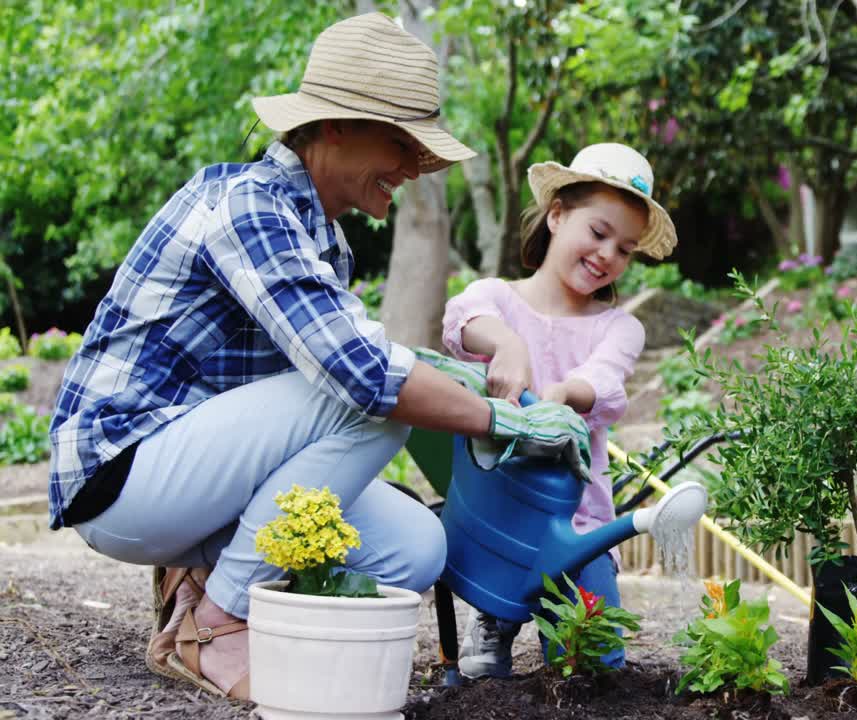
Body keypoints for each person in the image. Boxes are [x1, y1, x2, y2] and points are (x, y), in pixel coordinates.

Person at [46, 13, 589, 701]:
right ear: (334, 126)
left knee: (416, 548)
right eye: (399, 144)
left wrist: (490, 370)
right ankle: (213, 625)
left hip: (194, 476)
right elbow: (366, 376)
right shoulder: (250, 206)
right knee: (372, 394)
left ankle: (200, 578)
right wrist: (497, 421)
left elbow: (361, 370)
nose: (410, 169)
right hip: (119, 470)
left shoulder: (322, 241)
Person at [443, 142, 678, 678]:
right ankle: (496, 617)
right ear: (556, 215)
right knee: (483, 679)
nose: (607, 256)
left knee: (590, 665)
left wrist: (564, 396)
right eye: (598, 233)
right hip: (497, 505)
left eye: (625, 248)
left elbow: (606, 383)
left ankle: (567, 611)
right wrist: (509, 346)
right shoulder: (499, 298)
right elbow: (462, 319)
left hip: (577, 521)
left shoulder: (618, 325)